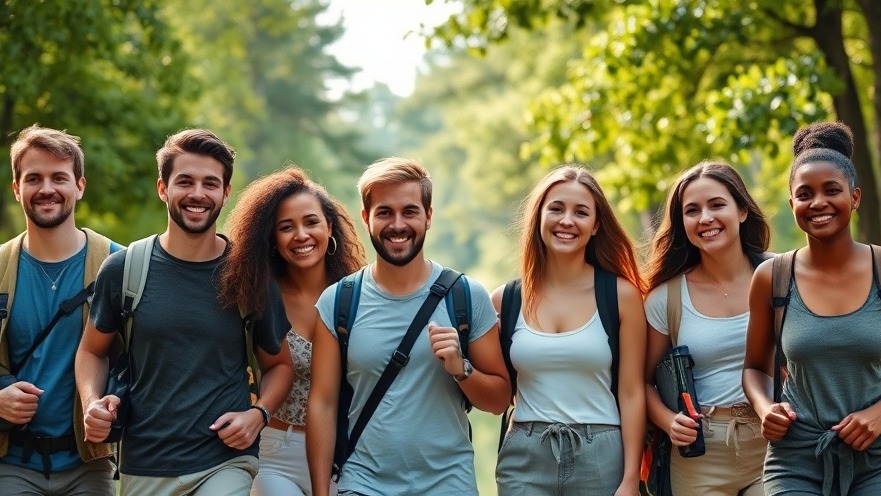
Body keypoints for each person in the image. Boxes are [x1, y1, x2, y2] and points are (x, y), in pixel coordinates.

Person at [75, 129, 294, 496]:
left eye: (210, 183)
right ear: (163, 188)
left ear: (225, 192)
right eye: (185, 182)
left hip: (225, 461)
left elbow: (279, 366)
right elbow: (91, 350)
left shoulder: (249, 276)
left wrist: (259, 415)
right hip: (144, 464)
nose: (197, 194)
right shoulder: (123, 270)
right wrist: (92, 403)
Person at [306, 157, 510, 496]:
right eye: (385, 212)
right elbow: (322, 404)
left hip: (448, 484)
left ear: (428, 217)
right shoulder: (338, 302)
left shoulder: (466, 296)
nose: (397, 224)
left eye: (410, 212)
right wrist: (320, 492)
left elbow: (500, 399)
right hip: (363, 483)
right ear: (366, 218)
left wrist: (462, 369)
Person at [743, 122, 881, 495]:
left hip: (875, 458)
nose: (817, 202)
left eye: (831, 190)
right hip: (796, 459)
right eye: (805, 194)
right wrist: (764, 409)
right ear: (792, 204)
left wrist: (879, 414)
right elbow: (754, 367)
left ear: (855, 197)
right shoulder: (772, 276)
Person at [493, 165, 647, 495]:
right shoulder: (503, 301)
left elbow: (632, 392)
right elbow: (493, 390)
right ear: (538, 219)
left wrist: (631, 478)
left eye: (581, 212)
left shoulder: (621, 296)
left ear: (595, 226)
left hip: (601, 455)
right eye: (556, 209)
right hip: (525, 454)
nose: (567, 221)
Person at [217, 166, 366, 496]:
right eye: (286, 227)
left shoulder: (359, 298)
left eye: (311, 222)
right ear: (272, 238)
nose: (301, 235)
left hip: (349, 451)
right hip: (277, 454)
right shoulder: (258, 299)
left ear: (330, 227)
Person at [0, 125, 121, 494]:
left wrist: (112, 400)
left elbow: (145, 357)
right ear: (17, 188)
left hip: (91, 464)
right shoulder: (0, 267)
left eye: (59, 177)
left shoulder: (119, 264)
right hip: (11, 465)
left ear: (80, 186)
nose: (47, 188)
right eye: (34, 178)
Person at [644, 161, 770, 495]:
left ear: (742, 211)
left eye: (717, 205)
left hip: (776, 445)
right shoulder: (665, 298)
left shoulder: (783, 275)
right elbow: (640, 383)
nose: (705, 219)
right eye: (692, 211)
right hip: (699, 453)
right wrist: (669, 421)